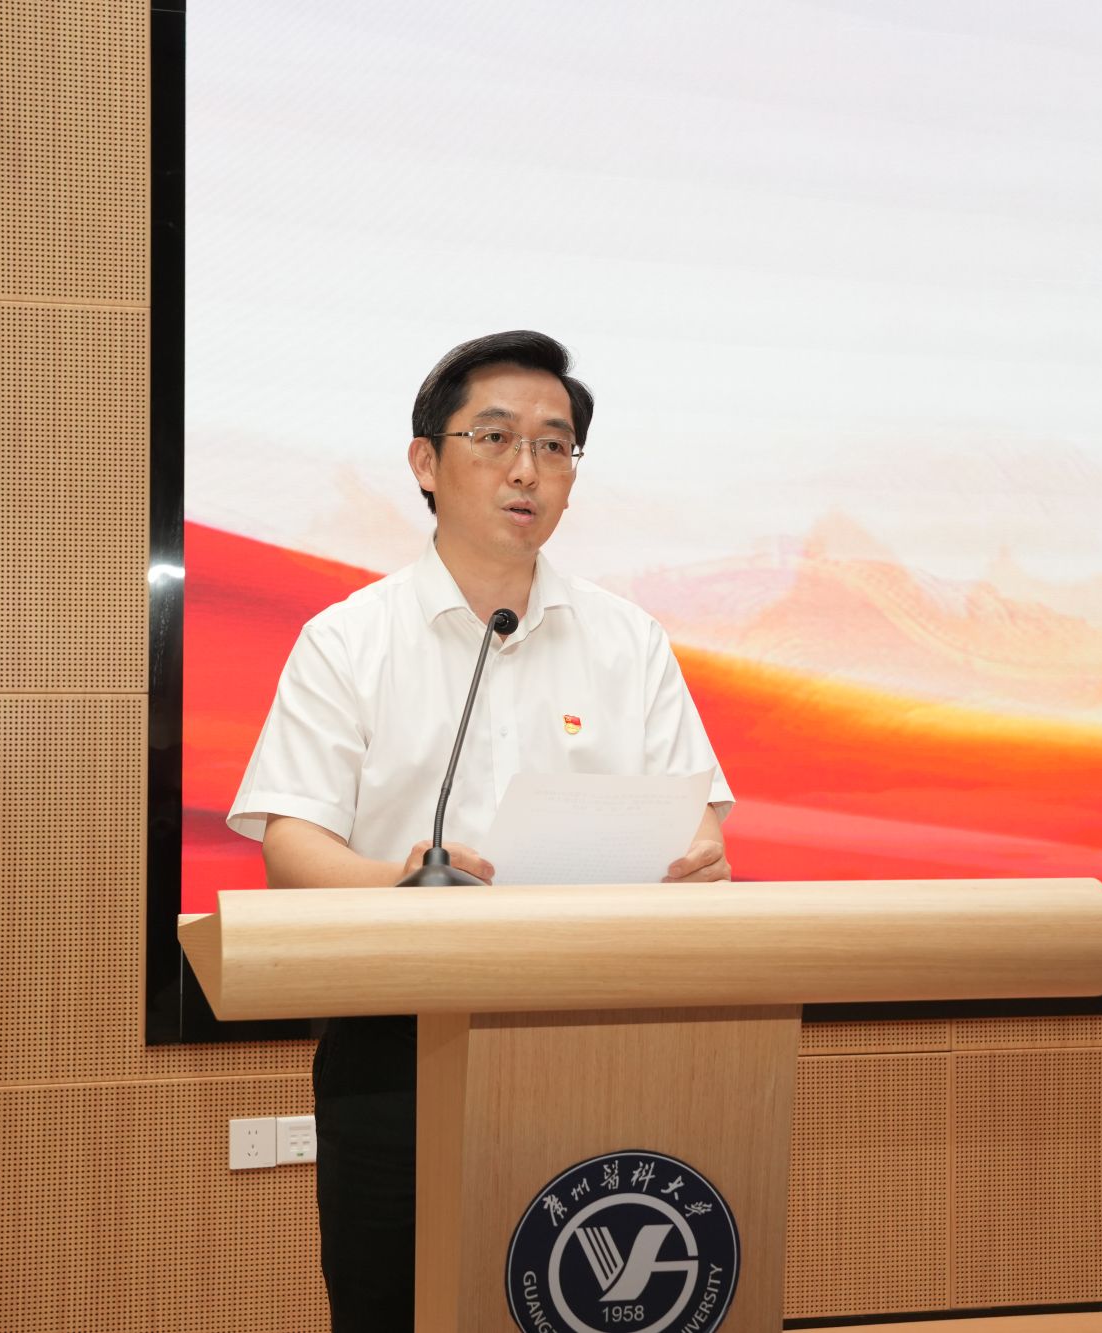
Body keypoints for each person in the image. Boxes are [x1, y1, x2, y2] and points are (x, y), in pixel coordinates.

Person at [226, 329, 733, 1331]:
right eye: (494, 437)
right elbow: (293, 844)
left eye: (554, 445)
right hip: (400, 1047)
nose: (526, 469)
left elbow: (699, 823)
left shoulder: (628, 642)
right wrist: (403, 882)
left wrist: (697, 862)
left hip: (604, 1033)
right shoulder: (349, 639)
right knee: (393, 1306)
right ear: (426, 461)